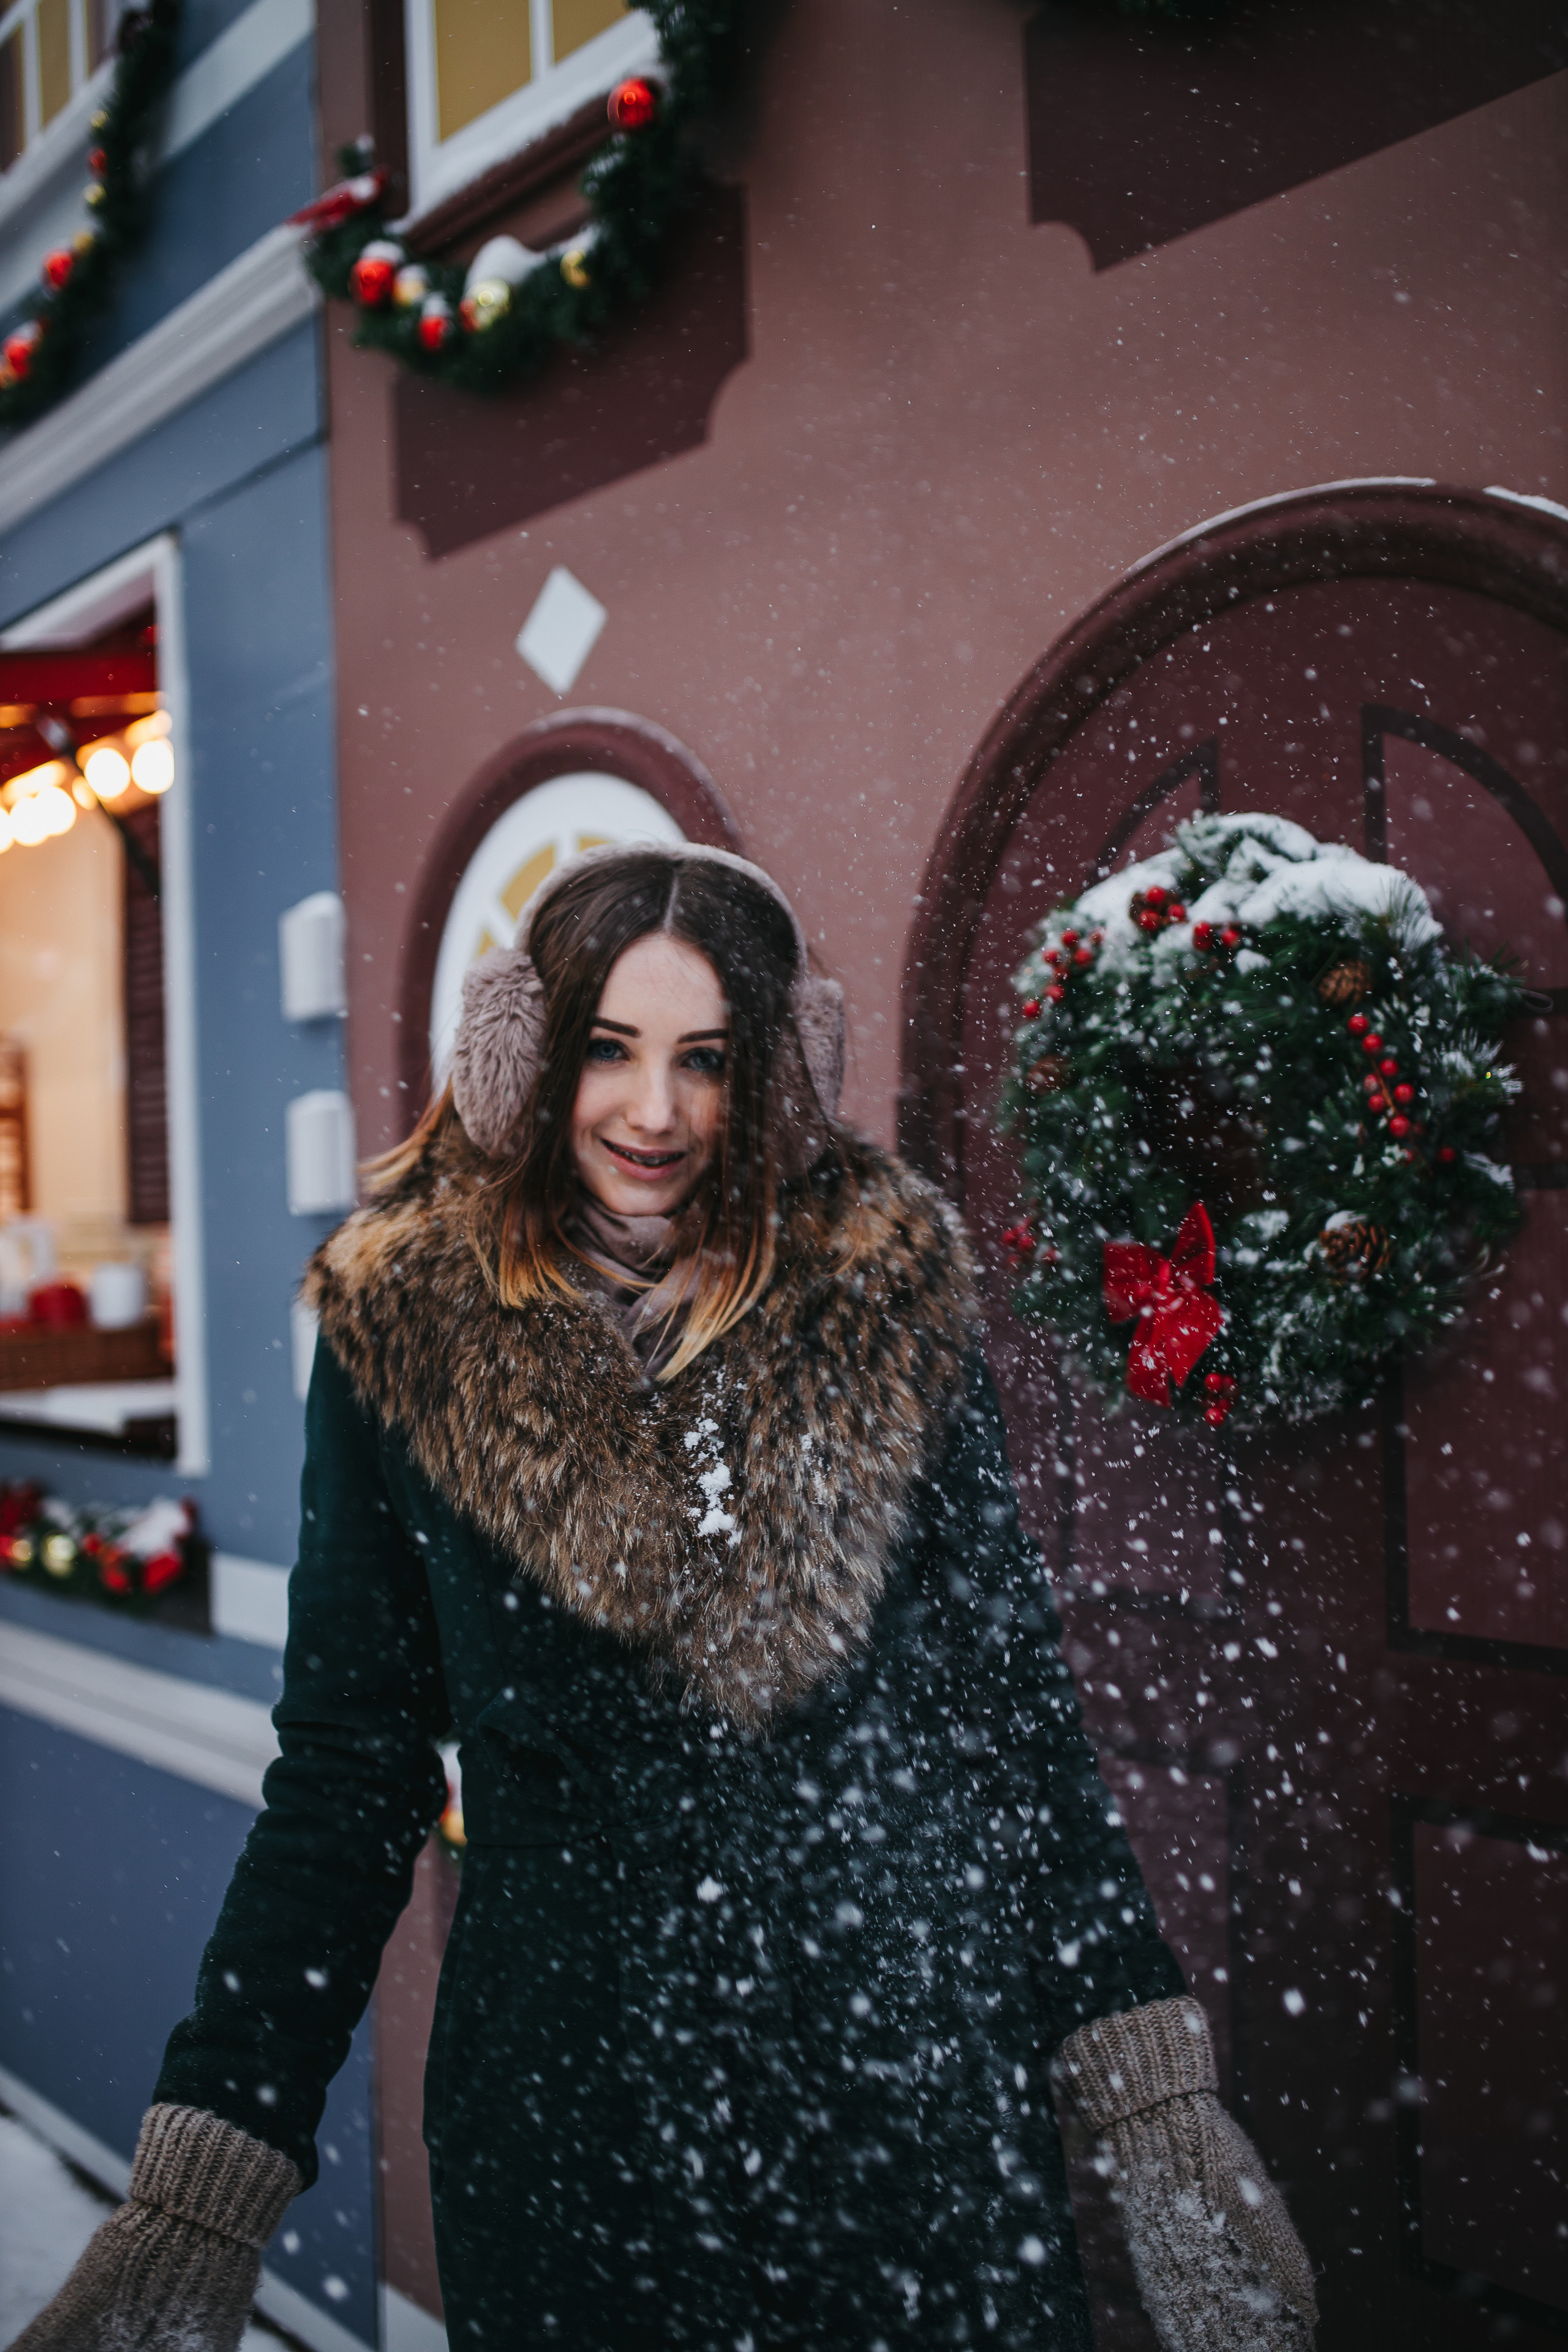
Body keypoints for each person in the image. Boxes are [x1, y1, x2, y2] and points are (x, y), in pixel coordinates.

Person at [13, 846, 1317, 2352]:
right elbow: (344, 1781)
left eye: (705, 1061)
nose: (654, 1113)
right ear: (523, 1056)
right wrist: (205, 2179)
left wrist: (1153, 2111)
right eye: (607, 1051)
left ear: (773, 1070)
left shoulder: (884, 1311)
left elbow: (1008, 1722)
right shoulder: (403, 1340)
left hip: (913, 2128)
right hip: (578, 2143)